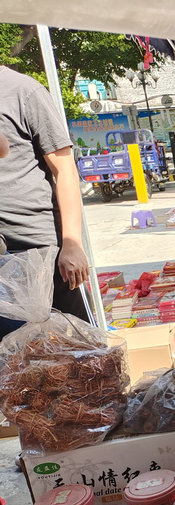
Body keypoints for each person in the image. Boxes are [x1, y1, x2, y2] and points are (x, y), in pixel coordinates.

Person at [0, 67, 90, 339]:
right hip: (3, 258)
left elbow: (65, 171)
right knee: (17, 361)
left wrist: (72, 244)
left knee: (78, 350)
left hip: (41, 250)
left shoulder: (23, 91)